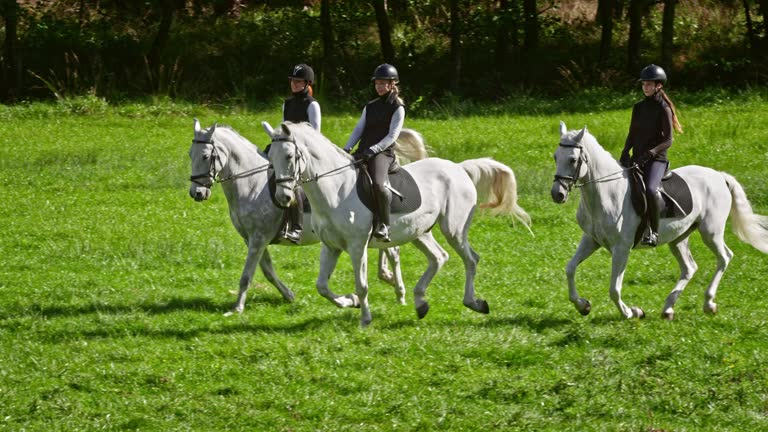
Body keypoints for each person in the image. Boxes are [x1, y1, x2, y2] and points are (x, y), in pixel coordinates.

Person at [620, 64, 683, 247]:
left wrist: (651, 153)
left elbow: (669, 140)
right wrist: (625, 151)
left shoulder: (664, 108)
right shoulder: (638, 107)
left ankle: (654, 232)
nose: (645, 87)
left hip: (656, 160)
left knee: (649, 190)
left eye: (649, 84)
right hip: (637, 158)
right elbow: (632, 133)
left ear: (658, 86)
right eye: (644, 84)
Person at [343, 63, 405, 242]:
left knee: (378, 184)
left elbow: (392, 136)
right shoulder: (370, 106)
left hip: (383, 154)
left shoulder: (398, 108)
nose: (379, 86)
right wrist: (347, 148)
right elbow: (358, 130)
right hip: (364, 150)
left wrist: (375, 149)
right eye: (377, 83)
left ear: (392, 84)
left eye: (382, 83)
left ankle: (384, 225)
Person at [280, 63, 321, 244]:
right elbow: (284, 129)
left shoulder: (312, 105)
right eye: (293, 81)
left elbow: (315, 134)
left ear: (307, 83)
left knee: (292, 182)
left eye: (298, 81)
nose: (294, 84)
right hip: (288, 150)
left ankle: (296, 228)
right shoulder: (287, 104)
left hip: (306, 153)